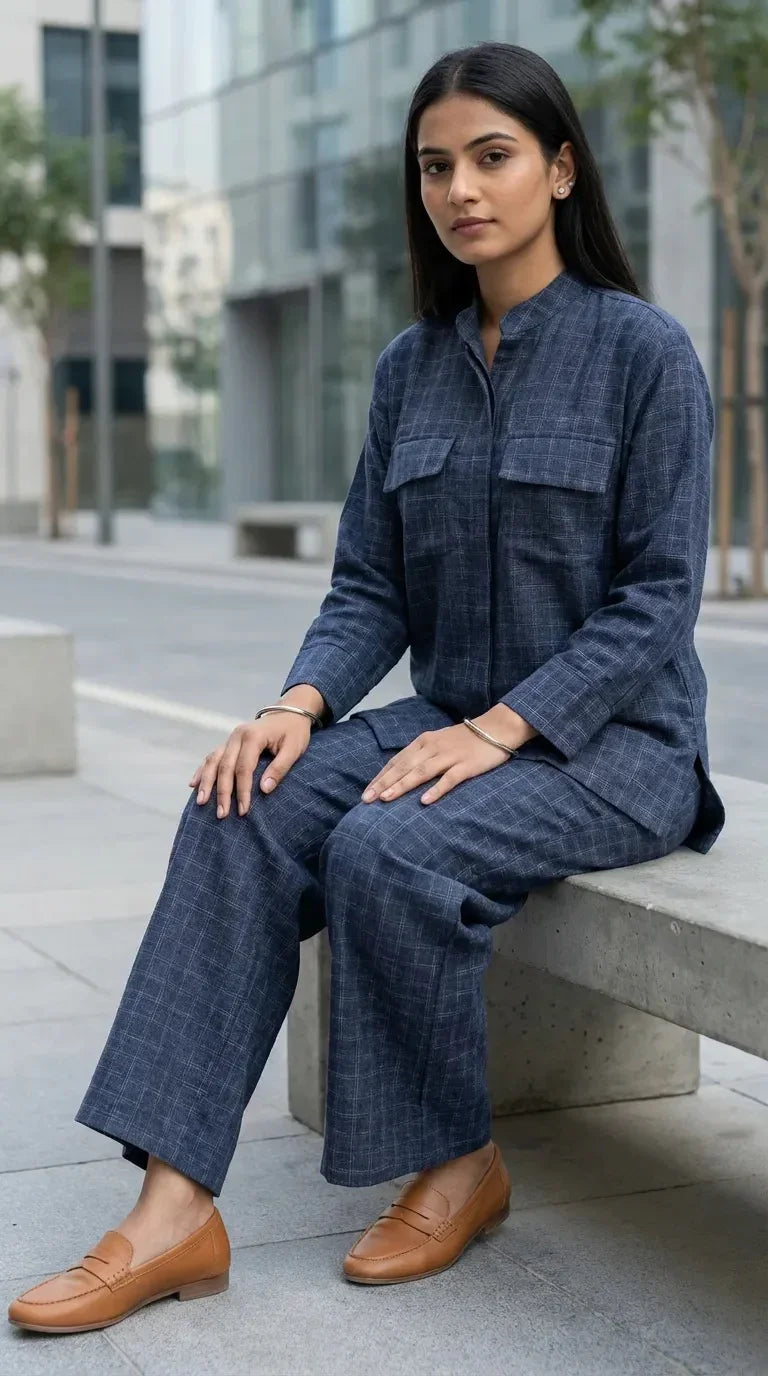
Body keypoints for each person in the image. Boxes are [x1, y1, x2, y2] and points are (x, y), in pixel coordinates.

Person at [8, 40, 726, 1334]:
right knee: (240, 803)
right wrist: (296, 707)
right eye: (436, 166)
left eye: (493, 157)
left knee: (389, 846)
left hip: (617, 746)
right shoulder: (411, 369)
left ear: (562, 169)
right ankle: (174, 1211)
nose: (462, 189)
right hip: (454, 720)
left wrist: (506, 729)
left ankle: (458, 1163)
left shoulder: (645, 354)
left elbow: (659, 598)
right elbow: (370, 590)